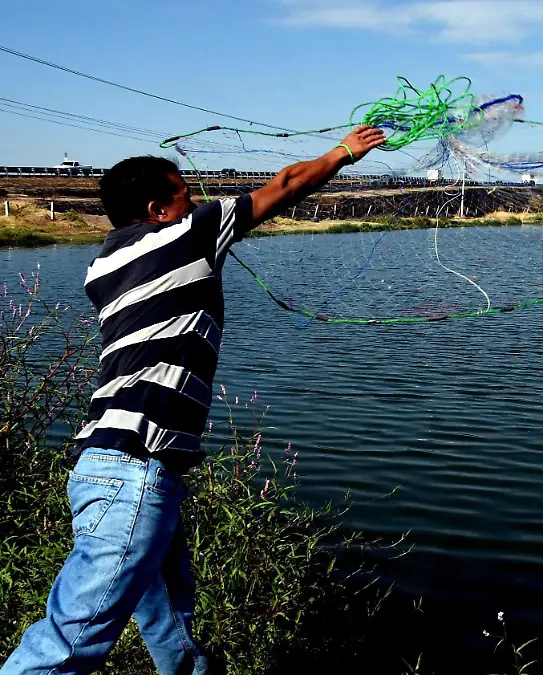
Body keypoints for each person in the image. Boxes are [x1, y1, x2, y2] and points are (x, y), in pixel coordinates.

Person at [1, 126, 388, 675]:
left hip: (105, 464)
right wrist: (344, 153)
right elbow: (286, 184)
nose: (199, 202)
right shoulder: (187, 234)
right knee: (64, 646)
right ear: (159, 210)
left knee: (170, 625)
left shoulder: (100, 268)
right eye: (186, 195)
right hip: (135, 469)